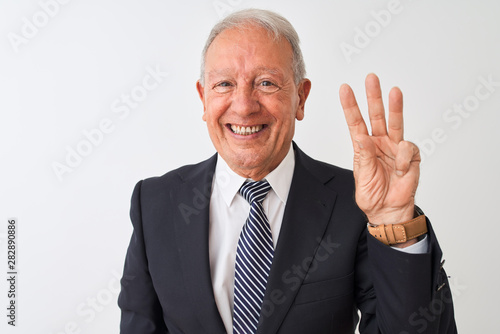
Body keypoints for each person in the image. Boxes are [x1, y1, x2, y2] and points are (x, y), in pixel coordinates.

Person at [118, 8, 457, 334]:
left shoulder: (356, 204)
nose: (244, 105)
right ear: (203, 98)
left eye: (266, 83)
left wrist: (394, 223)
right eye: (224, 84)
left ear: (301, 98)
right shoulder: (155, 204)